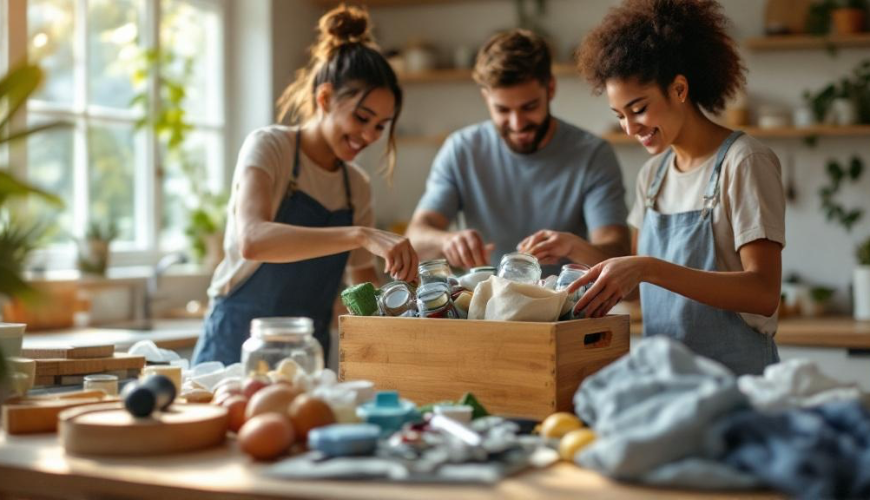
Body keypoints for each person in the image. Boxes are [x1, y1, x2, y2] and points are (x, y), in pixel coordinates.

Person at [193, 5, 418, 366]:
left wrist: (406, 306)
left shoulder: (355, 186)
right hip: (238, 342)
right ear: (325, 98)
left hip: (306, 351)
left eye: (380, 126)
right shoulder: (270, 147)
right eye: (362, 118)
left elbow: (363, 290)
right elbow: (253, 240)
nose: (369, 136)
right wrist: (360, 235)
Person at [572, 0, 785, 375]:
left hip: (737, 383)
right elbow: (637, 291)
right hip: (668, 385)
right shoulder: (652, 175)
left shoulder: (744, 161)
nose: (630, 128)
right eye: (620, 115)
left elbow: (763, 293)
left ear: (679, 89)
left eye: (639, 109)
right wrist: (573, 248)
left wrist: (648, 267)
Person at [406, 29, 630, 277]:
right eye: (502, 110)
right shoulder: (461, 150)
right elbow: (415, 237)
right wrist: (446, 241)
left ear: (550, 88)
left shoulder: (593, 155)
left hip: (564, 300)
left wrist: (573, 246)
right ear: (485, 98)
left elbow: (617, 256)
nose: (517, 124)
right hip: (483, 299)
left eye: (529, 107)